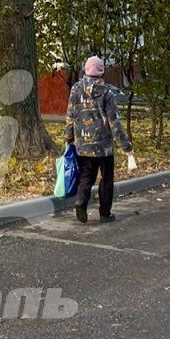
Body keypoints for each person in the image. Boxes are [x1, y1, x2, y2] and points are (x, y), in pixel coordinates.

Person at [64, 56, 135, 224]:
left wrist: (69, 138)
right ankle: (105, 214)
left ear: (85, 70)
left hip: (83, 145)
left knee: (86, 176)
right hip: (104, 147)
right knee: (107, 179)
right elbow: (114, 122)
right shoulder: (107, 93)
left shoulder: (75, 89)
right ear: (102, 72)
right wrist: (126, 146)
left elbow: (70, 116)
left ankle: (81, 202)